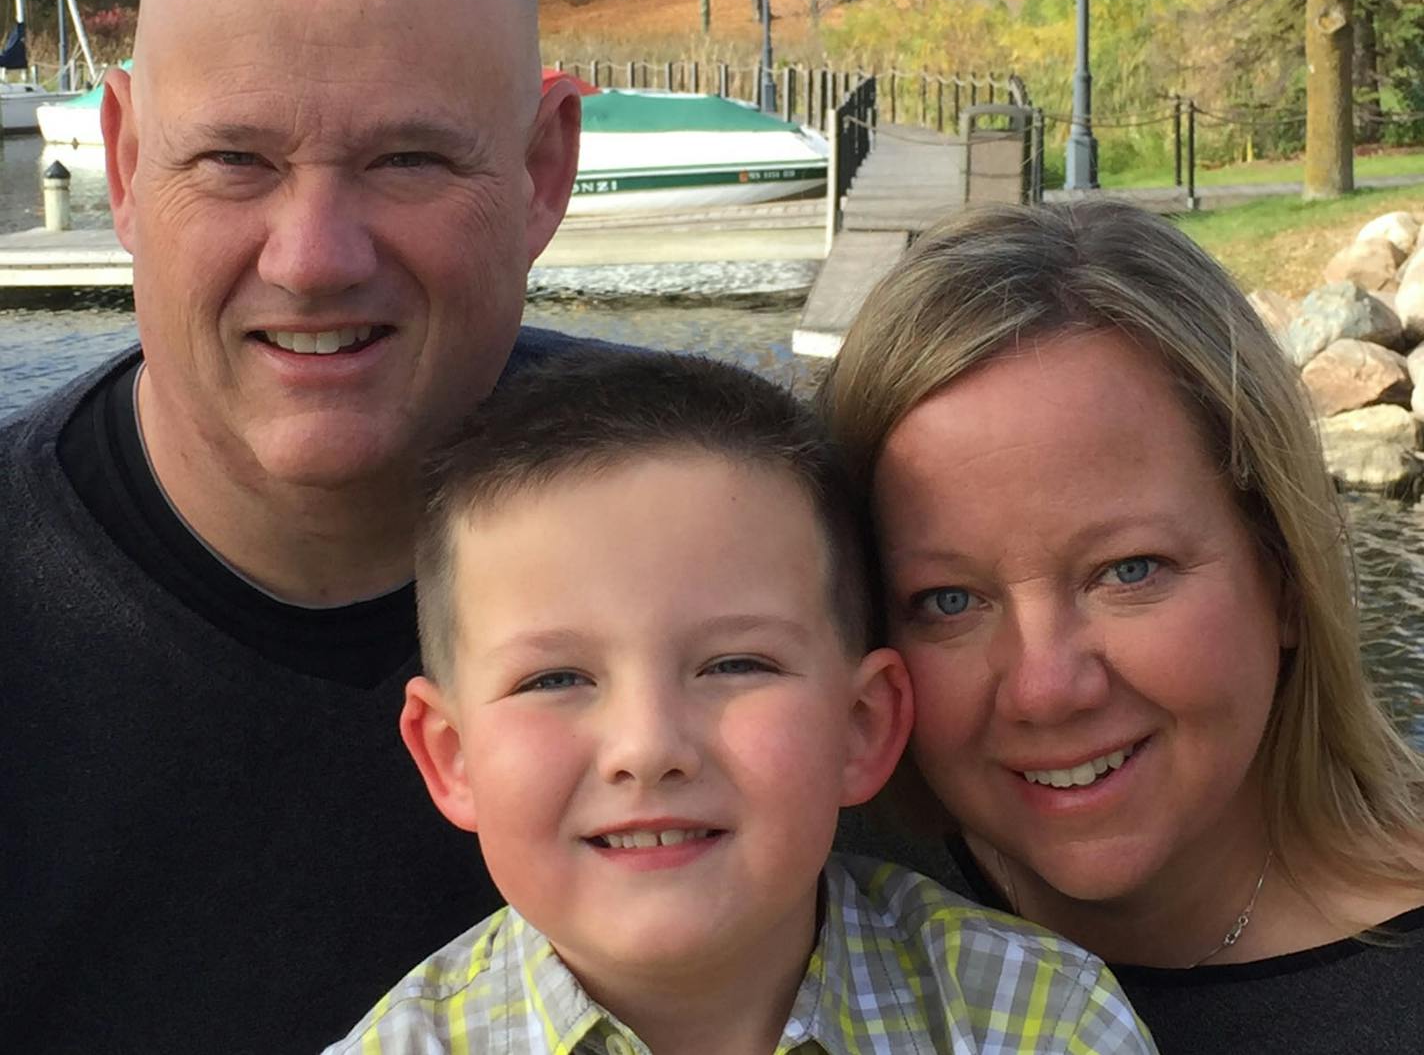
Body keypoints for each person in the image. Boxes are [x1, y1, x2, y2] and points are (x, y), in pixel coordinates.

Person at [0, 0, 586, 1054]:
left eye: (408, 158)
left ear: (543, 173)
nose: (314, 256)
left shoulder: (754, 548)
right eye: (234, 160)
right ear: (123, 161)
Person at [323, 348, 1158, 1055]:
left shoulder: (1037, 1021)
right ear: (452, 756)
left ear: (860, 726)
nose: (647, 746)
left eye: (734, 664)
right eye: (555, 679)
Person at [822, 200, 1424, 1054]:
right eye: (948, 600)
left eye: (1128, 572)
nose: (1046, 688)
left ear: (1285, 573)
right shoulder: (792, 898)